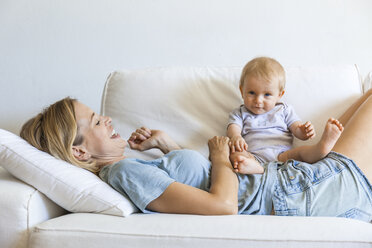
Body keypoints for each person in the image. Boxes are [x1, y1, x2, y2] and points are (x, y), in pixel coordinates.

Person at [20, 89, 372, 222]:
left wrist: (166, 147)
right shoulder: (123, 174)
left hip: (297, 183)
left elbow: (194, 182)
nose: (108, 118)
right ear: (79, 150)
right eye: (97, 121)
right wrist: (218, 154)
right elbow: (223, 205)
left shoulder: (132, 169)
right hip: (298, 190)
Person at [227, 57, 343, 174]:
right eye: (252, 93)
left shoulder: (284, 110)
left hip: (282, 156)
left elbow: (297, 129)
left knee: (301, 153)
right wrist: (236, 137)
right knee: (234, 154)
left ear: (279, 94)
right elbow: (233, 128)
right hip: (252, 156)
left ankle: (321, 148)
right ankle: (257, 168)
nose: (258, 100)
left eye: (267, 94)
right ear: (242, 91)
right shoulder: (240, 113)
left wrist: (303, 132)